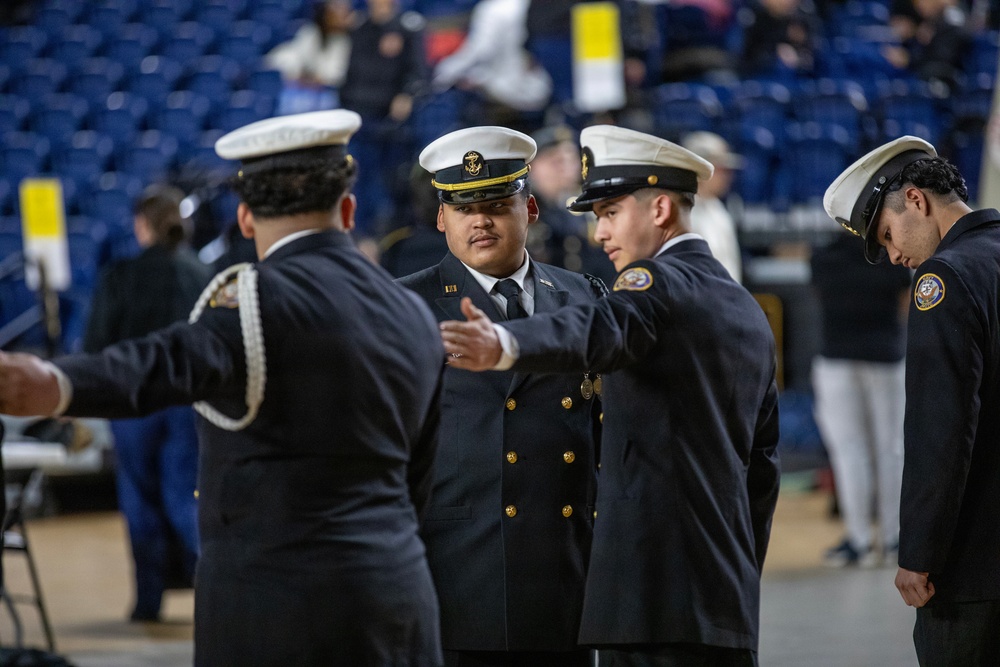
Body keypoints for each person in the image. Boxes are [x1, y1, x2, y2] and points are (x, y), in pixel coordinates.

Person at [0, 109, 445, 667]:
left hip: (279, 609)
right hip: (401, 592)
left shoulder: (252, 297)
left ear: (245, 218)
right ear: (348, 209)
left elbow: (166, 361)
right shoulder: (412, 311)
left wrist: (56, 382)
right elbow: (421, 477)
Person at [440, 125, 781, 666]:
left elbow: (601, 328)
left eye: (610, 213)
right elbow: (761, 469)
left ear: (662, 209)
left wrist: (503, 342)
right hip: (724, 598)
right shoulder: (744, 308)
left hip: (648, 599)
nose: (600, 234)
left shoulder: (652, 285)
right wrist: (735, 567)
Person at [397, 126, 605, 667]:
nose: (480, 220)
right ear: (442, 218)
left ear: (530, 208)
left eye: (495, 203)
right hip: (458, 568)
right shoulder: (403, 307)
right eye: (463, 208)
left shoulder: (585, 296)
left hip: (564, 566)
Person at [823, 134, 1000, 665]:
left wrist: (918, 553)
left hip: (976, 567)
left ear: (917, 200)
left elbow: (940, 429)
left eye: (887, 234)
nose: (894, 256)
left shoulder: (943, 280)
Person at [83, 184, 211, 622]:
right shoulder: (202, 275)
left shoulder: (120, 276)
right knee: (186, 497)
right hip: (190, 404)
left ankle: (147, 603)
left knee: (140, 501)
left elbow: (96, 345)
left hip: (134, 406)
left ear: (141, 225)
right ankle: (218, 591)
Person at [809, 233, 910, 569]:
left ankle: (859, 539)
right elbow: (905, 304)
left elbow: (820, 295)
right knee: (891, 449)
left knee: (849, 451)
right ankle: (894, 539)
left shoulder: (823, 254)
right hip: (885, 357)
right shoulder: (889, 253)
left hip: (836, 357)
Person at [681, 131, 744, 283]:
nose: (728, 177)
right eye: (721, 170)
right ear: (700, 170)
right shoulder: (680, 211)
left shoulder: (718, 209)